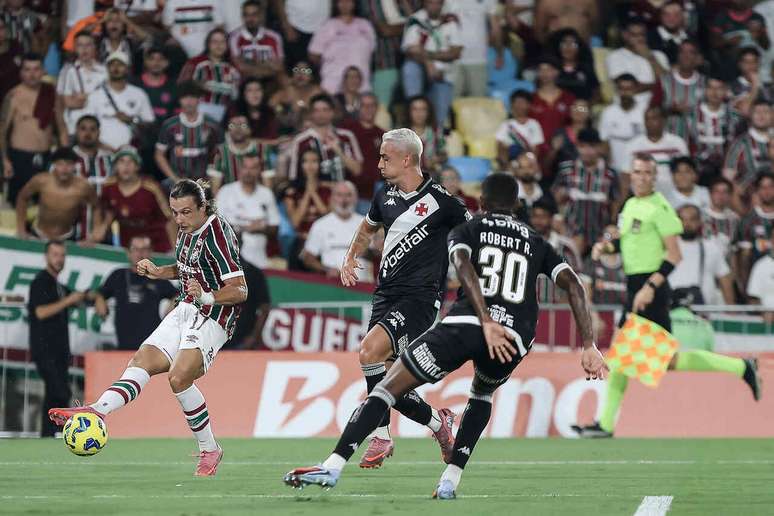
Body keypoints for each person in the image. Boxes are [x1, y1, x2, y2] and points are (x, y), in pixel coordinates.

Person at [283, 172, 608, 497]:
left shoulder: (470, 229)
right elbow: (573, 285)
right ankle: (449, 481)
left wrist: (484, 318)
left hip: (466, 326)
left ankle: (333, 465)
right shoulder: (538, 242)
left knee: (386, 387)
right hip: (514, 337)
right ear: (518, 205)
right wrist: (589, 344)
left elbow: (463, 264)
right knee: (481, 395)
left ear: (481, 202)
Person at [49, 178, 248, 477]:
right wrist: (159, 272)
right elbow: (186, 269)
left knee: (179, 377)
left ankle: (209, 449)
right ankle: (97, 410)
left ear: (202, 207)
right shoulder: (186, 232)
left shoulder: (217, 233)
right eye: (174, 212)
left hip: (213, 316)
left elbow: (240, 289)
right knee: (142, 361)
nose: (179, 219)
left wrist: (206, 296)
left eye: (185, 212)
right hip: (186, 308)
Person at [573, 153, 760, 438]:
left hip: (652, 291)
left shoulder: (661, 208)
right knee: (629, 358)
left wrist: (650, 287)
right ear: (631, 174)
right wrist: (606, 248)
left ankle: (740, 366)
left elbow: (674, 255)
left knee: (648, 359)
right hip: (636, 288)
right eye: (637, 172)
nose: (642, 177)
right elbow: (626, 242)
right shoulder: (630, 205)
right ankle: (605, 424)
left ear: (654, 177)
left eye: (648, 173)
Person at [330, 128, 470, 468]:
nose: (378, 163)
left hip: (419, 299)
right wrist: (350, 257)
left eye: (385, 157)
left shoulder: (444, 203)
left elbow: (473, 236)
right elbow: (366, 228)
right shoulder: (384, 196)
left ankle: (380, 436)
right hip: (385, 294)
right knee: (393, 383)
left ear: (407, 159)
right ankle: (440, 423)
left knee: (368, 351)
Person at [28, 241, 92, 436]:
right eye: (55, 254)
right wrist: (68, 301)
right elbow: (40, 312)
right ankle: (59, 434)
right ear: (46, 256)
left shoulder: (59, 286)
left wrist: (94, 298)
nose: (59, 259)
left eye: (62, 255)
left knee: (54, 394)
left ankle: (48, 436)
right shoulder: (41, 281)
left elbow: (80, 297)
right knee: (60, 391)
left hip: (59, 350)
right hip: (44, 348)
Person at [1, 53, 68, 205]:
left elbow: (61, 127)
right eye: (27, 70)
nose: (32, 74)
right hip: (19, 157)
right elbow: (2, 131)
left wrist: (65, 158)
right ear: (21, 73)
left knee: (46, 201)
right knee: (18, 202)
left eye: (36, 69)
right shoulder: (13, 96)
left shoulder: (51, 93)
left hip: (45, 157)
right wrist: (5, 160)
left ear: (43, 71)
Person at [94, 235, 179, 350]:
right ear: (128, 253)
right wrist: (100, 300)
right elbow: (100, 292)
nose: (140, 253)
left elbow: (177, 295)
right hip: (123, 343)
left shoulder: (157, 277)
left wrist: (171, 309)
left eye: (144, 249)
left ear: (150, 253)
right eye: (135, 249)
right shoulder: (118, 275)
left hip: (152, 344)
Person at [92, 146, 176, 253]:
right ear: (116, 166)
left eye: (131, 162)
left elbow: (170, 219)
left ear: (137, 167)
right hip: (127, 247)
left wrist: (174, 250)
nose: (126, 166)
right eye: (121, 161)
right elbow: (105, 209)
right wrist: (99, 230)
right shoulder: (109, 187)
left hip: (157, 246)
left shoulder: (151, 188)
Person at [553, 128, 619, 255]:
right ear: (577, 147)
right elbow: (555, 199)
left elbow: (615, 203)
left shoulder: (610, 174)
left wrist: (610, 227)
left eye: (592, 146)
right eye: (583, 146)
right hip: (571, 234)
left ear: (599, 147)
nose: (587, 151)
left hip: (600, 236)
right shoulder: (566, 169)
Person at [16, 147, 98, 242]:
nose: (64, 169)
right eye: (60, 164)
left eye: (69, 164)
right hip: (38, 234)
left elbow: (97, 207)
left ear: (75, 166)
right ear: (54, 164)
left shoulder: (83, 187)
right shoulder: (41, 180)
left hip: (67, 237)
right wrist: (21, 228)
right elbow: (22, 198)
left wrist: (94, 235)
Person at [400, 0, 462, 126]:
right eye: (430, 2)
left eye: (437, 3)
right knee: (409, 68)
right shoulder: (416, 20)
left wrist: (428, 55)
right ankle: (414, 104)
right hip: (421, 71)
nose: (434, 6)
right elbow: (410, 50)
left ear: (442, 4)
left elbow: (455, 53)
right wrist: (428, 63)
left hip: (443, 75)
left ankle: (436, 137)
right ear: (425, 4)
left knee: (439, 119)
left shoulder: (450, 20)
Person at [216, 153, 280, 270]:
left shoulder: (266, 194)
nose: (248, 172)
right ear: (240, 169)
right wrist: (246, 228)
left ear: (259, 170)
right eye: (245, 167)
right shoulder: (226, 191)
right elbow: (216, 227)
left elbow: (275, 228)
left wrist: (262, 228)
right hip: (230, 260)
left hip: (260, 260)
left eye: (253, 168)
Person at [302, 180, 372, 281]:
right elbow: (308, 258)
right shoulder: (321, 225)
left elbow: (378, 252)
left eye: (348, 195)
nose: (344, 200)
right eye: (339, 195)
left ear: (356, 199)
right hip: (332, 284)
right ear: (331, 199)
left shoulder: (367, 224)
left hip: (361, 285)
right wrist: (327, 270)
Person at [155, 80, 223, 184]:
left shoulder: (212, 124)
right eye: (185, 97)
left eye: (193, 97)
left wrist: (212, 176)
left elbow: (221, 152)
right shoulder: (170, 125)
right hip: (176, 180)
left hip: (204, 181)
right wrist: (175, 179)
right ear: (179, 100)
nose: (189, 101)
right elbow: (159, 155)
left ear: (199, 99)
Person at [84, 50, 154, 150]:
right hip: (102, 151)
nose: (116, 68)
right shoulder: (95, 95)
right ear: (107, 68)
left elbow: (150, 124)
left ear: (128, 69)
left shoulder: (139, 94)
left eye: (120, 65)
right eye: (112, 65)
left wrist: (132, 120)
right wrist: (101, 146)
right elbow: (86, 124)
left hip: (131, 154)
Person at [669, 204, 735, 306]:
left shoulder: (711, 247)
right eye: (682, 219)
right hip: (671, 309)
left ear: (700, 222)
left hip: (704, 311)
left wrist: (731, 308)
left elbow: (724, 278)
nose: (687, 224)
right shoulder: (666, 247)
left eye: (692, 219)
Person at [287, 93, 363, 182]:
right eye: (316, 110)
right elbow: (293, 176)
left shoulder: (347, 136)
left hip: (343, 192)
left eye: (325, 110)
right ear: (311, 113)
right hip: (313, 192)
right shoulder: (300, 141)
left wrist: (339, 152)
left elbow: (357, 170)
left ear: (332, 112)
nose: (321, 114)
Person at [308, 0, 376, 95]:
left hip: (361, 84)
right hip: (332, 84)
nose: (345, 4)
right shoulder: (328, 25)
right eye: (341, 1)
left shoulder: (365, 25)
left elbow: (371, 51)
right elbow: (314, 54)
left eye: (349, 1)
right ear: (336, 3)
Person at [686, 76, 741, 181]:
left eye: (719, 88)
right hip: (698, 172)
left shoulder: (735, 117)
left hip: (726, 173)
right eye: (710, 88)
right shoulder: (691, 116)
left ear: (725, 91)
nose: (714, 92)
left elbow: (738, 146)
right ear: (705, 90)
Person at [179, 28, 241, 122]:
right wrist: (197, 85)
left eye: (222, 42)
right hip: (199, 108)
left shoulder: (232, 67)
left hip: (225, 110)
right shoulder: (195, 63)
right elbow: (182, 84)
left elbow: (237, 92)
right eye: (214, 42)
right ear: (208, 44)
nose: (219, 45)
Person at [605, 18, 669, 109]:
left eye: (642, 35)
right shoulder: (615, 57)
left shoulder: (659, 55)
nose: (639, 38)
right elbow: (627, 88)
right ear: (625, 35)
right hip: (627, 107)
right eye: (634, 35)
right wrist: (657, 86)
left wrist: (650, 58)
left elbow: (667, 86)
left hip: (656, 109)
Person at [443, 0, 502, 98]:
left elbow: (495, 28)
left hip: (477, 59)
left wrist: (500, 54)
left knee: (476, 106)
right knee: (454, 105)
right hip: (454, 59)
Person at [624, 106, 688, 194]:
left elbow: (686, 172)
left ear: (663, 121)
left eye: (654, 118)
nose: (649, 123)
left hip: (673, 194)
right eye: (647, 119)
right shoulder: (633, 145)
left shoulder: (678, 143)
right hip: (643, 195)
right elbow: (625, 175)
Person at [337, 92, 384, 211]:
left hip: (371, 193)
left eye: (371, 105)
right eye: (364, 105)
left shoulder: (382, 134)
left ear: (377, 108)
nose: (368, 109)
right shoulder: (346, 129)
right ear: (358, 108)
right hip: (347, 191)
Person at [57, 30, 107, 137]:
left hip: (101, 126)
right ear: (75, 48)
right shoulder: (67, 71)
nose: (84, 49)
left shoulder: (105, 71)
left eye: (88, 45)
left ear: (95, 48)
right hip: (74, 126)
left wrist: (85, 97)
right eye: (80, 45)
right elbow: (67, 102)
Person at [655, 40, 706, 143]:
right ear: (678, 55)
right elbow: (653, 111)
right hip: (669, 142)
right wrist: (670, 109)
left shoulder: (705, 83)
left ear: (697, 57)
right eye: (682, 52)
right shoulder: (664, 81)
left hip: (698, 143)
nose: (686, 56)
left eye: (691, 52)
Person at [72, 115, 113, 239]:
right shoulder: (66, 159)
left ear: (99, 132)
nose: (88, 133)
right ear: (76, 132)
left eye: (92, 129)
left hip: (105, 229)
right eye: (83, 129)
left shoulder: (110, 160)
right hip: (72, 227)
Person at [598, 74, 646, 174]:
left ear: (635, 89)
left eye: (629, 89)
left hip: (639, 167)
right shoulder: (608, 112)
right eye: (621, 88)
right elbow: (603, 141)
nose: (624, 92)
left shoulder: (644, 112)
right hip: (615, 167)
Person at [736, 173, 774, 296]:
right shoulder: (748, 221)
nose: (767, 191)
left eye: (771, 187)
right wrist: (745, 285)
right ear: (757, 191)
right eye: (763, 187)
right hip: (758, 282)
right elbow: (744, 258)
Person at [228, 0, 284, 80]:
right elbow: (240, 66)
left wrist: (248, 62)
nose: (250, 19)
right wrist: (267, 63)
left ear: (261, 16)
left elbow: (278, 66)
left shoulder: (274, 37)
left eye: (254, 14)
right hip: (246, 82)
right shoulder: (234, 37)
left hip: (270, 80)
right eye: (246, 15)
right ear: (242, 17)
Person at [208, 112, 264, 192]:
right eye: (232, 125)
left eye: (243, 125)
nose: (238, 129)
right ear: (227, 130)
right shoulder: (220, 151)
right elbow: (215, 188)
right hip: (229, 200)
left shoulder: (261, 149)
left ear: (250, 129)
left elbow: (268, 184)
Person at [529, 56, 575, 152]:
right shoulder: (531, 99)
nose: (544, 73)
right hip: (537, 151)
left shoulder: (569, 98)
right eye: (541, 70)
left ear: (556, 72)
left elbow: (581, 110)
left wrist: (583, 108)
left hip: (564, 150)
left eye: (548, 70)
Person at [723, 101, 771, 192]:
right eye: (757, 112)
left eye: (766, 112)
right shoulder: (740, 143)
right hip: (748, 196)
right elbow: (728, 177)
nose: (761, 115)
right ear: (750, 115)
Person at [269, 60, 324, 134]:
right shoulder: (288, 91)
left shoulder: (318, 92)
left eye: (306, 70)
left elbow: (335, 112)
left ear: (312, 76)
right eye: (296, 70)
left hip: (314, 131)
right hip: (288, 133)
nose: (300, 74)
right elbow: (272, 104)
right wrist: (280, 110)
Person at [495, 90, 544, 169]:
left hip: (528, 161)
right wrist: (505, 163)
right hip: (510, 161)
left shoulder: (534, 124)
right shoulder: (506, 124)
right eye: (516, 102)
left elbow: (535, 149)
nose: (519, 106)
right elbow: (500, 146)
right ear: (512, 105)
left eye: (522, 103)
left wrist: (528, 162)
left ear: (529, 105)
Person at [275, 0, 331, 68]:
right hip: (295, 27)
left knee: (316, 68)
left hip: (322, 30)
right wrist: (286, 26)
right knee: (298, 68)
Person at [548, 28, 599, 102]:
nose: (568, 47)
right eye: (564, 43)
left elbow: (596, 92)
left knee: (581, 110)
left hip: (580, 108)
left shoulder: (585, 68)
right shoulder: (552, 68)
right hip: (556, 109)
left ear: (579, 48)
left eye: (573, 44)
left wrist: (587, 106)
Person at [544, 98, 592, 175]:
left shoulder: (593, 135)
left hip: (586, 181)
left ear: (589, 113)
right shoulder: (560, 133)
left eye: (582, 108)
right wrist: (554, 150)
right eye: (575, 107)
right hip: (563, 180)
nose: (578, 111)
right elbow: (546, 166)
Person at [405, 95, 446, 174]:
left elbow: (443, 154)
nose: (419, 113)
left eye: (423, 109)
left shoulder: (436, 131)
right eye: (415, 109)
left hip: (431, 175)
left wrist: (436, 159)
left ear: (428, 112)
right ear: (409, 112)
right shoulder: (402, 134)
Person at [703, 177, 739, 259]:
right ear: (710, 194)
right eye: (717, 191)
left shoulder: (734, 219)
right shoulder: (700, 216)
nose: (720, 196)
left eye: (725, 192)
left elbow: (734, 250)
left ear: (730, 195)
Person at [533, 0, 599, 43]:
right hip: (554, 52)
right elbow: (539, 29)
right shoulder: (546, 3)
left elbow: (594, 22)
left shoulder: (588, 2)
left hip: (582, 51)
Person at [747, 230, 774, 322]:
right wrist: (764, 312)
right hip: (767, 321)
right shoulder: (761, 266)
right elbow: (753, 299)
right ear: (771, 241)